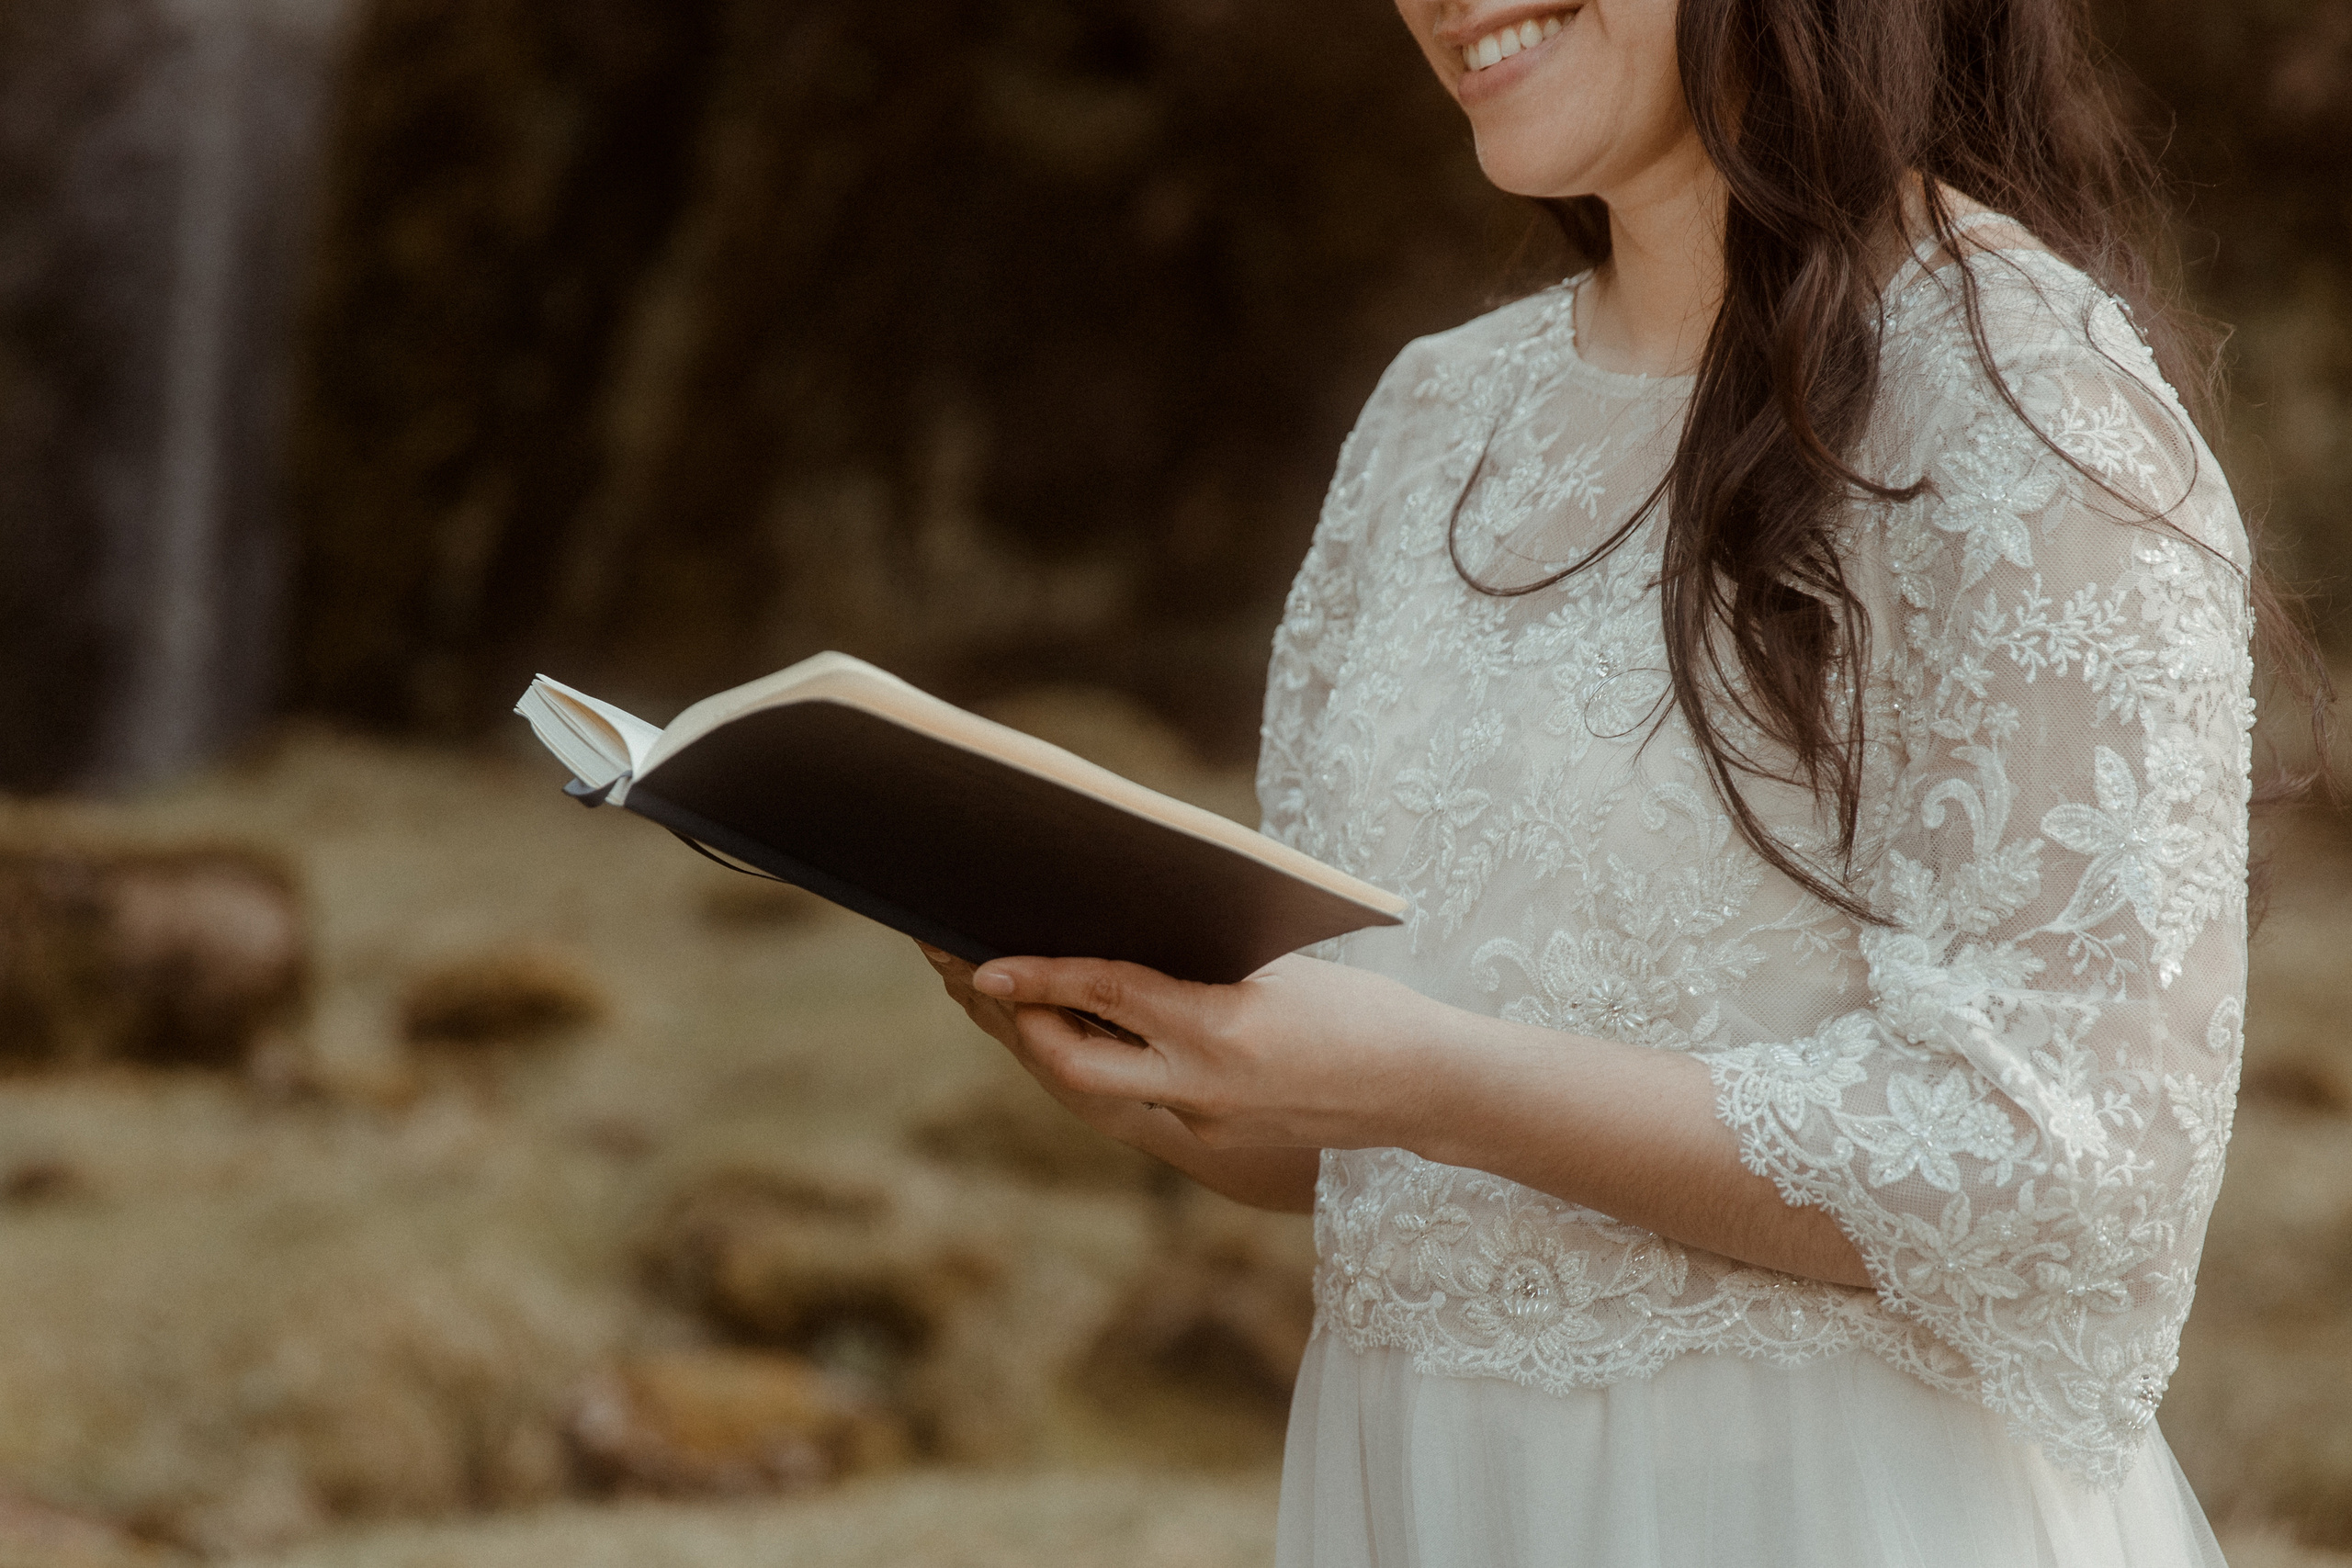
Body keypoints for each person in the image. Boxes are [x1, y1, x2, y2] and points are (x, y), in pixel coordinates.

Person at [923, 0, 2310, 1562]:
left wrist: (1430, 1082)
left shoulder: (2025, 406)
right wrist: (1149, 1040)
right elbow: (1352, 1124)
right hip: (1429, 1498)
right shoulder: (1434, 417)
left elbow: (2067, 1178)